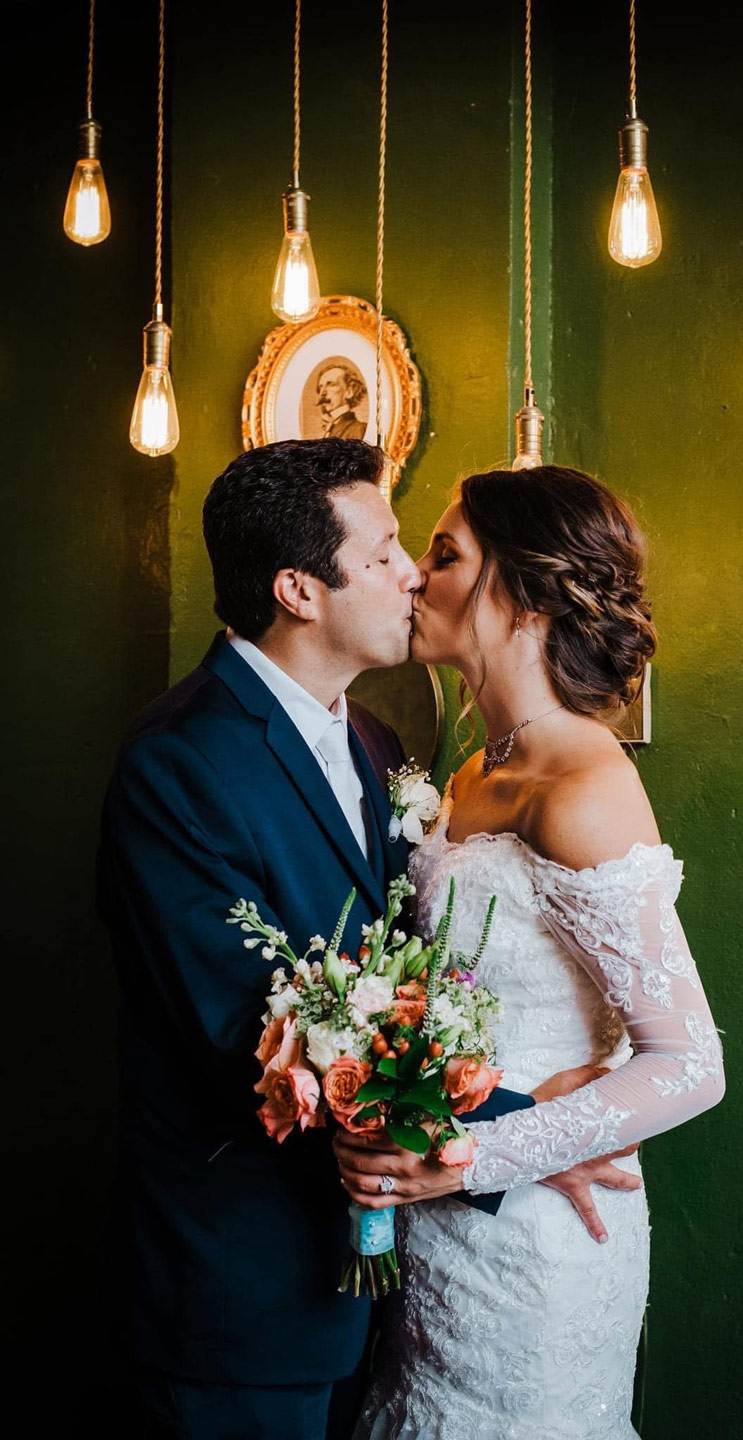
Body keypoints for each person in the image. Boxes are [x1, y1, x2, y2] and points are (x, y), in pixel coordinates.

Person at [97, 439, 637, 1440]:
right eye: (385, 553)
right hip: (245, 1299)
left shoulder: (376, 744)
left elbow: (411, 973)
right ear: (299, 591)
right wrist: (519, 1134)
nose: (411, 575)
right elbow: (252, 1035)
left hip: (399, 1283)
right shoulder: (178, 763)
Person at [337, 465, 726, 1440]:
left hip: (539, 1245)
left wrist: (477, 1155)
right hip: (436, 1231)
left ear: (525, 594)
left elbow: (689, 1064)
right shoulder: (474, 770)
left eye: (444, 555)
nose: (413, 576)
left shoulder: (584, 785)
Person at [314, 364, 367, 440]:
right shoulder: (326, 428)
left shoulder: (360, 429)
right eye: (321, 387)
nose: (322, 392)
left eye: (332, 385)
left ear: (349, 392)